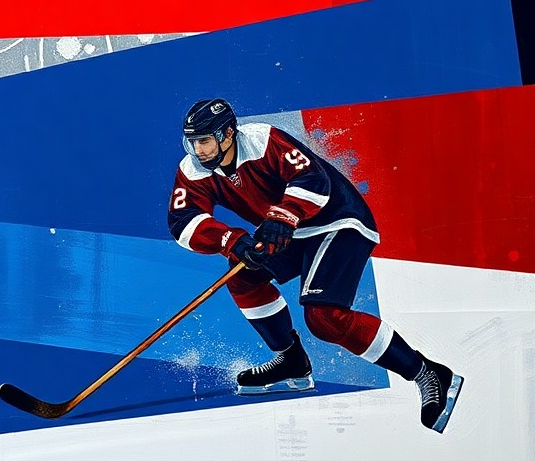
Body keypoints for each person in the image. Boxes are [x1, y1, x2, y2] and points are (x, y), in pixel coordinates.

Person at [167, 98, 463, 433]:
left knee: (324, 318)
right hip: (288, 230)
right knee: (242, 277)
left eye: (204, 141)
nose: (198, 150)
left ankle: (427, 372)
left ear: (227, 134)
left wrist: (283, 215)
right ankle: (291, 360)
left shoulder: (264, 140)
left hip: (337, 220)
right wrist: (231, 240)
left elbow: (312, 179)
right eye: (192, 142)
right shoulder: (194, 170)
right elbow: (182, 220)